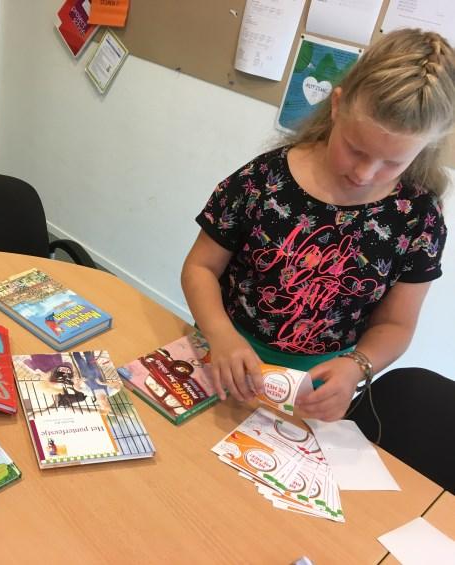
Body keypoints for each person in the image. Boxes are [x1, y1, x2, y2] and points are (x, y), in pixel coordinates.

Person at [181, 29, 453, 422]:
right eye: (355, 149)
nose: (364, 173)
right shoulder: (263, 180)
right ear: (337, 107)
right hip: (224, 357)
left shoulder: (419, 218)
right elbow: (200, 267)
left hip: (317, 387)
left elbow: (396, 324)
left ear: (425, 147)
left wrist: (358, 365)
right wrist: (221, 335)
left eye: (392, 162)